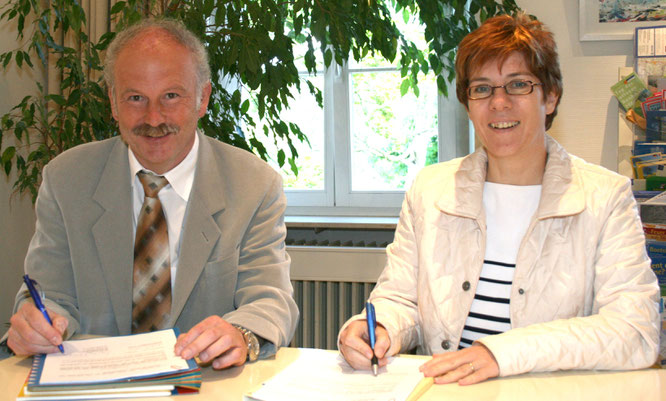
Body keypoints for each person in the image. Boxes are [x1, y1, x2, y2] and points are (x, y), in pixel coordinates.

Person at [338, 13, 660, 385]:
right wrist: (373, 327)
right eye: (482, 88)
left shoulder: (605, 198)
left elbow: (635, 331)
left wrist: (500, 352)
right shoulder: (430, 190)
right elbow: (399, 299)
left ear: (550, 97)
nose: (499, 102)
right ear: (468, 102)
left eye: (518, 85)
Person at [2, 18, 298, 368]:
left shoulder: (254, 184)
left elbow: (270, 300)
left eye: (171, 96)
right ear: (113, 102)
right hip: (94, 387)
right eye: (135, 98)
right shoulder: (66, 180)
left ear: (202, 99)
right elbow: (49, 296)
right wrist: (37, 322)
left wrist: (241, 333)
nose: (154, 118)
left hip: (206, 386)